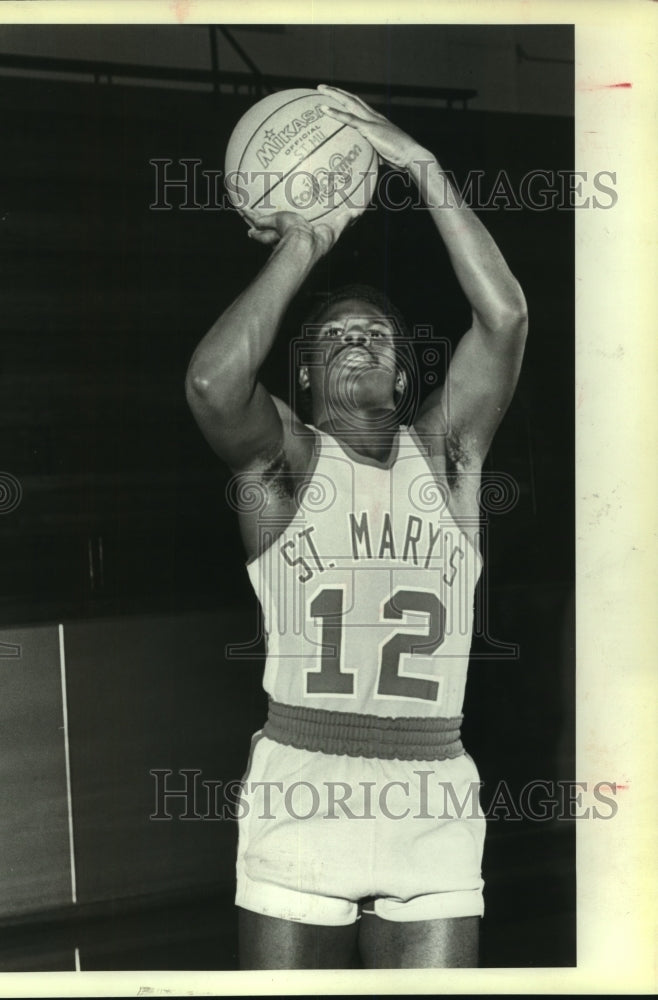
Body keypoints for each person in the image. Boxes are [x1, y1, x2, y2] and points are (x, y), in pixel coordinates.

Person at [185, 84, 527, 969]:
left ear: (408, 379)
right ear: (301, 384)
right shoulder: (285, 471)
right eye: (332, 338)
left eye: (374, 334)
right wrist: (304, 240)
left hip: (433, 791)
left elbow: (506, 318)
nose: (356, 339)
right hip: (304, 779)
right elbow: (213, 387)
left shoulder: (448, 457)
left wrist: (422, 167)